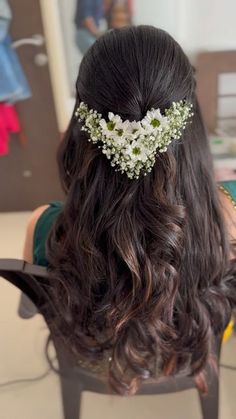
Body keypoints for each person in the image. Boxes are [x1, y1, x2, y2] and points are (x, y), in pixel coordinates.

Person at [23, 26, 236, 395]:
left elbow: (31, 307)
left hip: (98, 359)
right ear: (191, 127)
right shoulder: (230, 212)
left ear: (82, 126)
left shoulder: (44, 225)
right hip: (192, 353)